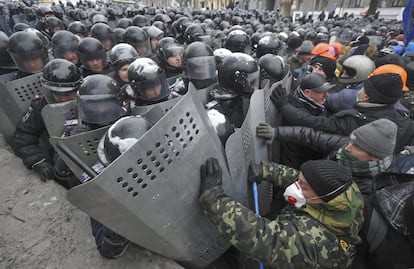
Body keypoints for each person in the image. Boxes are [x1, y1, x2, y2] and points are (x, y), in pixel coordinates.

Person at [199, 158, 364, 268]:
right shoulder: (343, 195)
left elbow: (262, 236)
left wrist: (214, 197)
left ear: (320, 198)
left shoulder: (314, 242)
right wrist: (266, 171)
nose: (296, 185)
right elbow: (302, 180)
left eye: (303, 186)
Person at [272, 72, 414, 153]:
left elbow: (316, 127)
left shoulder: (359, 119)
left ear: (366, 97)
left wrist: (285, 108)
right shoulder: (400, 117)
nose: (359, 91)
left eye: (363, 89)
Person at [11, 59, 82, 188]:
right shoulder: (40, 107)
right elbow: (23, 137)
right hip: (62, 154)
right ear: (49, 90)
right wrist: (38, 161)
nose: (65, 98)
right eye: (60, 94)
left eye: (70, 92)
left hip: (87, 147)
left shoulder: (88, 98)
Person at [279, 73, 333, 169]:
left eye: (326, 91)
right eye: (321, 92)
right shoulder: (298, 109)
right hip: (297, 167)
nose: (326, 95)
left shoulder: (314, 105)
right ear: (307, 92)